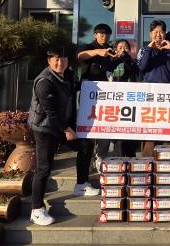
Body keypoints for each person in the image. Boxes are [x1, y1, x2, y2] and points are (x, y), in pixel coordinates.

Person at [28, 47, 99, 226]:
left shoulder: (67, 75)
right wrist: (66, 129)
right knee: (44, 168)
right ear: (49, 61)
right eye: (56, 59)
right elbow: (50, 112)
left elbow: (77, 87)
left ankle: (81, 185)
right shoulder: (44, 81)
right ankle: (36, 210)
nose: (60, 63)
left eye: (64, 59)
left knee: (85, 144)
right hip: (45, 128)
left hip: (62, 125)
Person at [137, 20, 170, 156]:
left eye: (161, 32)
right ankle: (147, 163)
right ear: (150, 34)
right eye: (155, 32)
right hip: (150, 97)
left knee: (167, 132)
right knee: (150, 133)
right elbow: (141, 66)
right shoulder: (144, 49)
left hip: (168, 97)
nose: (158, 35)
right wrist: (149, 49)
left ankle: (167, 162)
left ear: (165, 33)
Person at [77, 23, 117, 174]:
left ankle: (101, 157)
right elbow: (80, 56)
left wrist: (119, 57)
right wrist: (97, 52)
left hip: (105, 95)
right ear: (95, 34)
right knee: (87, 128)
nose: (104, 36)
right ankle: (87, 160)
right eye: (101, 33)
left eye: (107, 34)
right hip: (88, 94)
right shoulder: (87, 47)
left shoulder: (110, 50)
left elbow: (113, 69)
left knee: (104, 126)